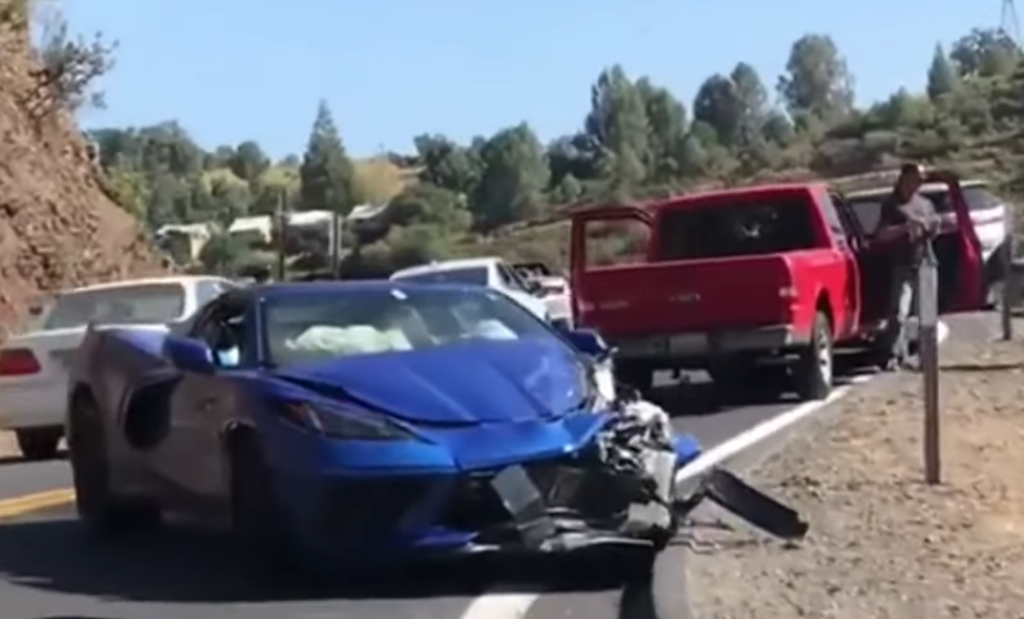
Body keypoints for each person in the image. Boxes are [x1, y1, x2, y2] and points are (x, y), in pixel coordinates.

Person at [873, 163, 942, 370]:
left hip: (926, 261)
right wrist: (905, 228)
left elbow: (934, 228)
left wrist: (931, 227)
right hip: (902, 263)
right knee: (899, 314)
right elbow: (881, 234)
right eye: (917, 178)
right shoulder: (891, 205)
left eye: (922, 179)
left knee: (927, 315)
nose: (920, 183)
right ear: (905, 178)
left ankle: (926, 357)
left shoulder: (926, 203)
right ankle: (893, 355)